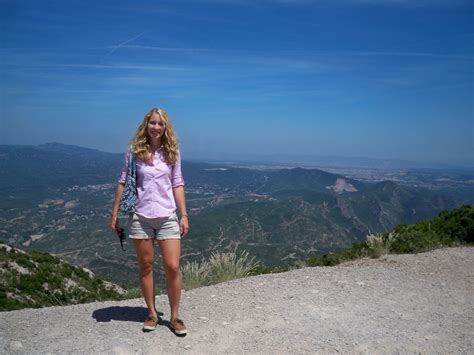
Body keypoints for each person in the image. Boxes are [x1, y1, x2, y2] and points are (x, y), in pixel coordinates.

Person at [110, 107, 189, 334]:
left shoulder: (172, 152)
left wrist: (183, 215)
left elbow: (177, 182)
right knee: (146, 266)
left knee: (172, 266)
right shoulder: (134, 151)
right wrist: (115, 213)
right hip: (140, 216)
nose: (156, 127)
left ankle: (174, 317)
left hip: (167, 216)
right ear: (146, 124)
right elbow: (123, 181)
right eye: (152, 123)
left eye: (160, 124)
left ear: (166, 128)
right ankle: (152, 314)